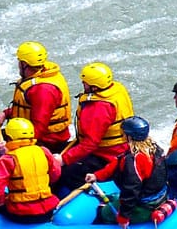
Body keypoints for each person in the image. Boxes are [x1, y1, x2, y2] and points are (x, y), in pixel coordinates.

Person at [0, 41, 71, 157]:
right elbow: (29, 110)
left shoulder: (43, 90)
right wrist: (5, 114)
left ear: (24, 64)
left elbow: (39, 129)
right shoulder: (39, 76)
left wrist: (12, 147)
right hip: (27, 132)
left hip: (46, 141)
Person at [53, 62, 134, 193]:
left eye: (85, 83)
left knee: (67, 172)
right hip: (121, 148)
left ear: (95, 87)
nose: (83, 85)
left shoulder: (98, 107)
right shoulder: (116, 90)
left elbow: (89, 144)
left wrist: (63, 159)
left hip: (106, 155)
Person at [84, 116, 175, 229]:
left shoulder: (134, 160)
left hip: (144, 207)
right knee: (116, 199)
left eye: (124, 134)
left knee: (103, 213)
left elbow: (131, 190)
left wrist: (123, 218)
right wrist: (96, 176)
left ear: (129, 136)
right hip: (161, 198)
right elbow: (116, 163)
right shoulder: (155, 148)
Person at [0, 118, 62, 224]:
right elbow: (56, 173)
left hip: (20, 214)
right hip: (47, 211)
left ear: (9, 137)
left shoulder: (7, 159)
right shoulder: (44, 151)